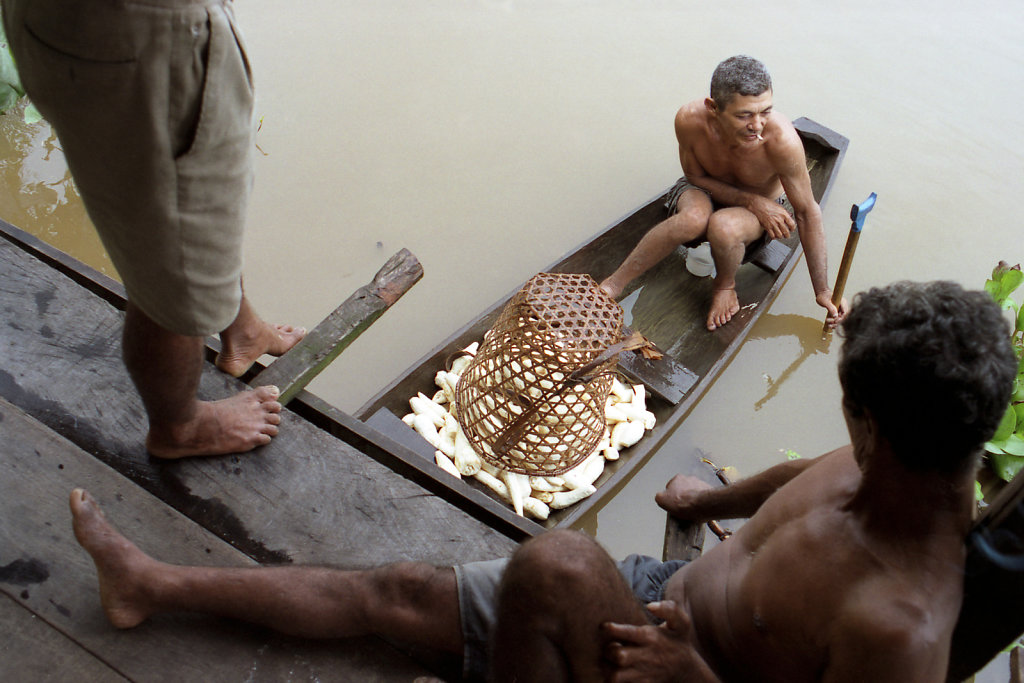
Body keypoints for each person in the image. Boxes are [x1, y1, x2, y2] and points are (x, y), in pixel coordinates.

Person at [69, 280, 1015, 681]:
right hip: (654, 602)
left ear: (879, 427)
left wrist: (692, 674)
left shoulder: (902, 628)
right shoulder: (895, 456)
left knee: (557, 564)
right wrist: (705, 500)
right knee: (398, 592)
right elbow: (797, 473)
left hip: (681, 671)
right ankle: (150, 584)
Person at [2, 0, 305, 458]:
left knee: (203, 199)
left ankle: (239, 328)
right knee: (174, 265)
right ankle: (180, 427)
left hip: (100, 27)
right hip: (144, 37)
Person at [600, 55, 847, 332]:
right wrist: (750, 199)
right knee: (694, 218)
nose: (757, 125)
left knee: (724, 226)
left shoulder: (781, 142)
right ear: (713, 108)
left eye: (765, 111)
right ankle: (613, 284)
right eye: (744, 115)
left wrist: (822, 290)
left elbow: (806, 211)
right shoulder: (690, 120)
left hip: (757, 212)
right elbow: (694, 177)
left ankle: (725, 286)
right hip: (704, 188)